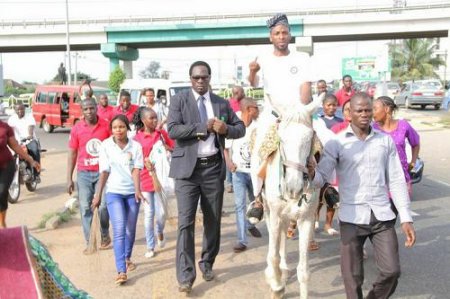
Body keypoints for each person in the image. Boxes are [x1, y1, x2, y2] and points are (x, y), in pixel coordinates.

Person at [309, 93, 416, 299]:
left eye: (368, 110)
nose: (365, 114)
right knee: (352, 277)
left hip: (382, 216)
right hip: (351, 217)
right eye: (360, 110)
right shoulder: (337, 144)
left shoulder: (385, 142)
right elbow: (322, 178)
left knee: (392, 271)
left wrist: (406, 217)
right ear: (349, 114)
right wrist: (311, 172)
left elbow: (396, 180)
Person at [167, 60, 245, 293]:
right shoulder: (179, 100)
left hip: (212, 170)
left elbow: (240, 127)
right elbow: (172, 130)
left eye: (204, 77)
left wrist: (226, 129)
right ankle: (185, 275)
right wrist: (203, 127)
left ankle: (207, 262)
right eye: (196, 78)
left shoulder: (220, 103)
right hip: (187, 173)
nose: (200, 81)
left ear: (210, 78)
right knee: (185, 223)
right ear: (190, 79)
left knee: (213, 220)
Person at [247, 13, 316, 217]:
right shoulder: (263, 59)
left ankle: (325, 190)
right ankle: (258, 199)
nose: (281, 36)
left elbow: (305, 90)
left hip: (297, 115)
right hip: (273, 117)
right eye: (277, 33)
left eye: (284, 32)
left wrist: (303, 114)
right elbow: (254, 83)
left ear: (290, 35)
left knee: (320, 146)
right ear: (271, 37)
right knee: (257, 153)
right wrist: (252, 71)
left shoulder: (302, 58)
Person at [92, 114, 145, 285]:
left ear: (127, 128)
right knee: (120, 228)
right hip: (114, 193)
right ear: (111, 130)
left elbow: (136, 169)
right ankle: (121, 270)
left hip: (132, 193)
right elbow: (104, 171)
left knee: (130, 229)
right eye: (115, 127)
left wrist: (137, 190)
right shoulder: (106, 146)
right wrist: (98, 194)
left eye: (121, 127)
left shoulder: (135, 146)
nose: (118, 130)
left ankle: (127, 257)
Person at [67, 98, 111, 253]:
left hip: (103, 173)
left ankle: (105, 233)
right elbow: (72, 153)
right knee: (86, 207)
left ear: (96, 108)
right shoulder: (77, 129)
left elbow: (114, 147)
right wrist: (69, 179)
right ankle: (90, 242)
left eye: (92, 108)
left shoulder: (106, 126)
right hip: (84, 174)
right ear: (82, 111)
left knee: (104, 206)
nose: (89, 112)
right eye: (85, 109)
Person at [133, 106, 174, 259]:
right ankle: (150, 245)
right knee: (148, 214)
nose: (155, 120)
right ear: (143, 120)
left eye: (156, 117)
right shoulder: (136, 139)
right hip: (144, 179)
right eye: (151, 118)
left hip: (160, 179)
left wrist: (167, 148)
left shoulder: (161, 134)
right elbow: (133, 160)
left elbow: (173, 148)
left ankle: (160, 231)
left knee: (162, 213)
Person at [224, 97, 261, 253]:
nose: (258, 110)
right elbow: (225, 149)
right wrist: (229, 163)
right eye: (256, 107)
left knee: (257, 205)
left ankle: (250, 225)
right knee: (240, 206)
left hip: (255, 174)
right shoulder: (234, 126)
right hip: (238, 174)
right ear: (249, 109)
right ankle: (241, 240)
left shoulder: (259, 127)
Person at [372, 96, 420, 195]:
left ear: (387, 109)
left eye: (375, 109)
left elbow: (415, 143)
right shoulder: (372, 128)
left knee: (401, 209)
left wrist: (413, 162)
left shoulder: (403, 125)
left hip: (401, 178)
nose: (372, 113)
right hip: (379, 180)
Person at [0, 120, 41, 228]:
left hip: (6, 166)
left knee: (1, 192)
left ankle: (2, 223)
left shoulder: (5, 127)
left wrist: (31, 160)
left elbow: (15, 146)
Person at [8, 103, 41, 181]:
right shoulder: (12, 119)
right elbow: (10, 130)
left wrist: (30, 135)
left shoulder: (29, 117)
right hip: (16, 142)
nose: (20, 111)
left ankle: (36, 174)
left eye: (22, 109)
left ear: (24, 109)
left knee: (35, 151)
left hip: (29, 140)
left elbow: (31, 126)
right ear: (15, 110)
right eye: (18, 110)